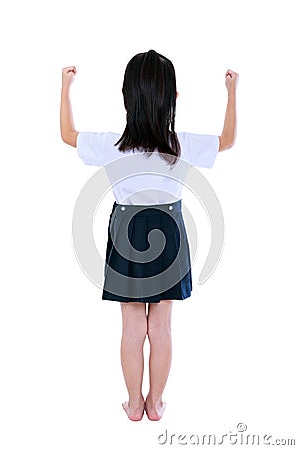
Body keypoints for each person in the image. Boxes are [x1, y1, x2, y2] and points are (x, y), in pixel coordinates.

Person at [60, 50, 238, 421]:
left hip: (127, 232)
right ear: (172, 98)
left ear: (126, 97)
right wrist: (231, 91)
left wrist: (66, 86)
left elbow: (67, 135)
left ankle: (134, 404)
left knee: (131, 326)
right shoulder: (179, 145)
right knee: (161, 326)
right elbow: (227, 140)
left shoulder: (113, 145)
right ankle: (156, 403)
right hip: (169, 233)